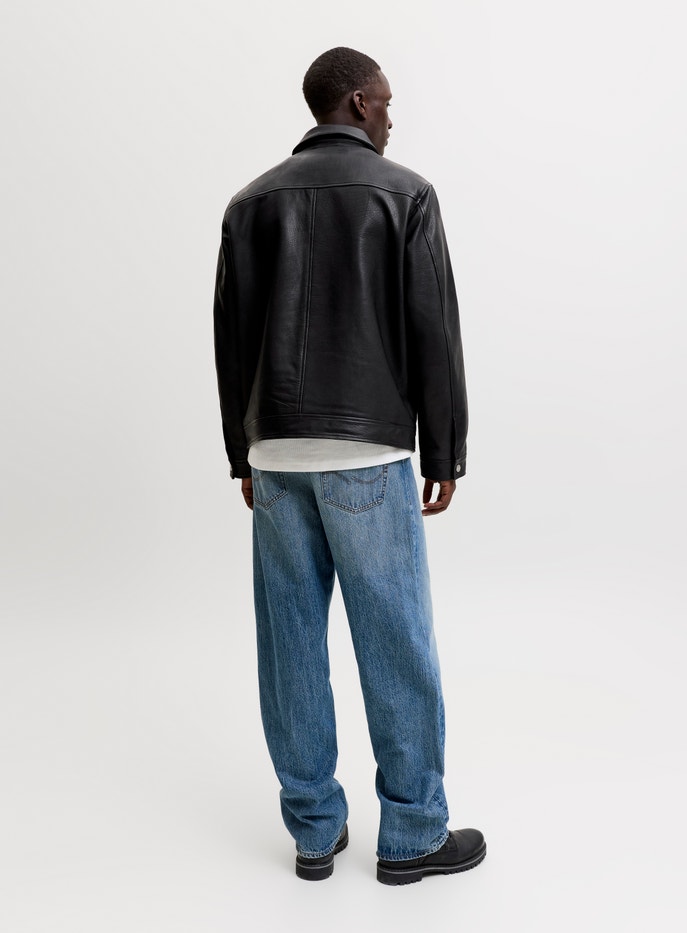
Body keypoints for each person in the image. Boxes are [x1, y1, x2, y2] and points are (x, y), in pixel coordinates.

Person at [213, 47, 485, 885]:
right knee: (395, 641)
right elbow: (434, 329)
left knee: (290, 644)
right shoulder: (405, 193)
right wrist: (444, 448)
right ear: (360, 102)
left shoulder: (251, 202)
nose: (392, 118)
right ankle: (412, 832)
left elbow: (230, 340)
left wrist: (242, 452)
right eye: (387, 102)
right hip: (369, 450)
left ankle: (313, 830)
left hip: (276, 453)